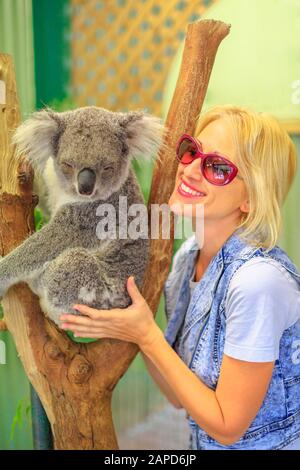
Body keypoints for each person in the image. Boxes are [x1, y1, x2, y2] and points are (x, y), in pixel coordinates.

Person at [59, 105, 300, 450]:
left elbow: (228, 427)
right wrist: (136, 331)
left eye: (218, 168)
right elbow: (178, 396)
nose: (189, 170)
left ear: (251, 197)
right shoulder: (187, 258)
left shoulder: (258, 283)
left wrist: (146, 334)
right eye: (192, 151)